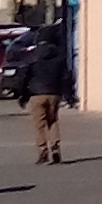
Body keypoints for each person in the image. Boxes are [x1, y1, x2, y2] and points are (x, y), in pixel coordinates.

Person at [19, 13, 70, 165]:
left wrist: (23, 95)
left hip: (37, 94)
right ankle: (55, 147)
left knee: (39, 125)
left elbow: (26, 77)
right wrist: (68, 95)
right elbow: (65, 78)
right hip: (54, 93)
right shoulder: (59, 57)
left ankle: (43, 151)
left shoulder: (33, 57)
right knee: (52, 120)